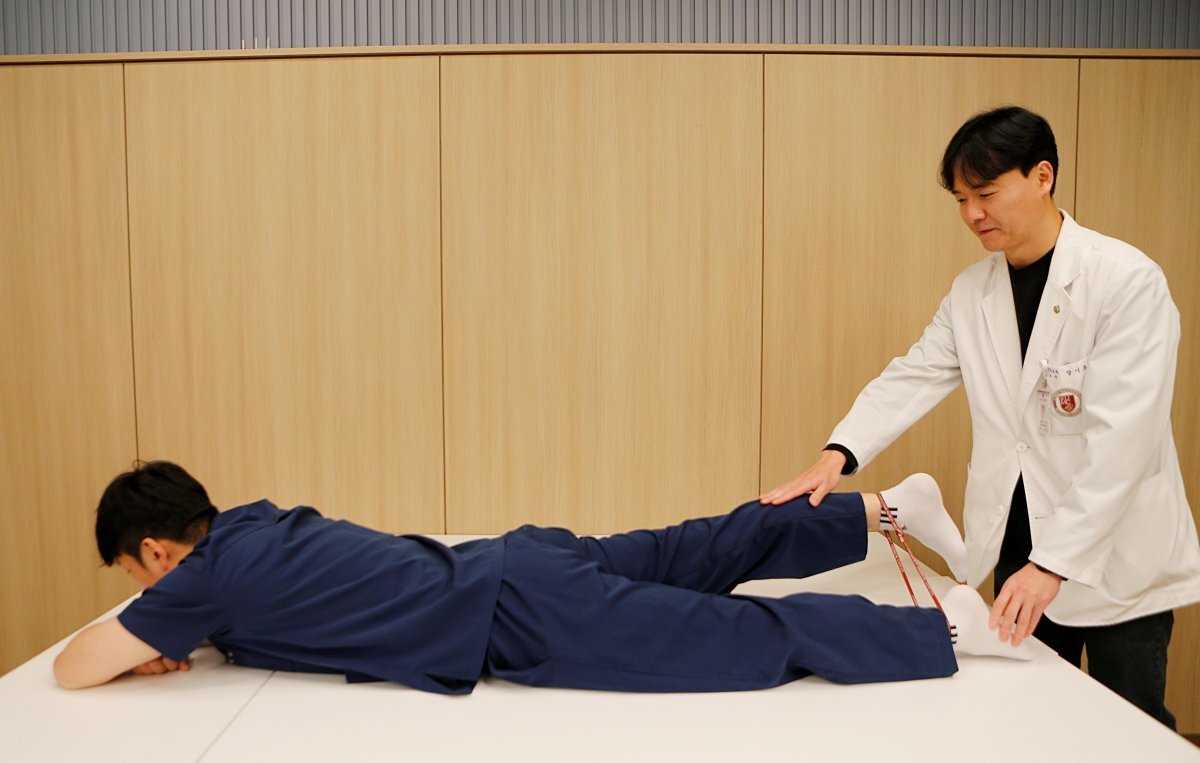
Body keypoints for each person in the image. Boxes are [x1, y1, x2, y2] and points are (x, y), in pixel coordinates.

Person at [760, 106, 1200, 727]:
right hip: (1019, 544)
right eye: (962, 200)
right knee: (1028, 720)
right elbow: (913, 374)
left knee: (1129, 727)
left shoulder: (1124, 281)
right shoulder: (973, 291)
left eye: (986, 194)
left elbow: (1124, 443)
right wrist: (839, 455)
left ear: (1042, 176)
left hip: (1117, 559)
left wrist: (1053, 564)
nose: (972, 215)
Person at [55, 461, 1028, 693]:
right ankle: (883, 506)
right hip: (518, 557)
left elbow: (73, 665)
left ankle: (949, 628)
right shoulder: (254, 526)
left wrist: (144, 641)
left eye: (135, 575)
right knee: (699, 548)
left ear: (156, 554)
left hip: (513, 613)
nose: (142, 592)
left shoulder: (203, 581)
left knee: (730, 642)